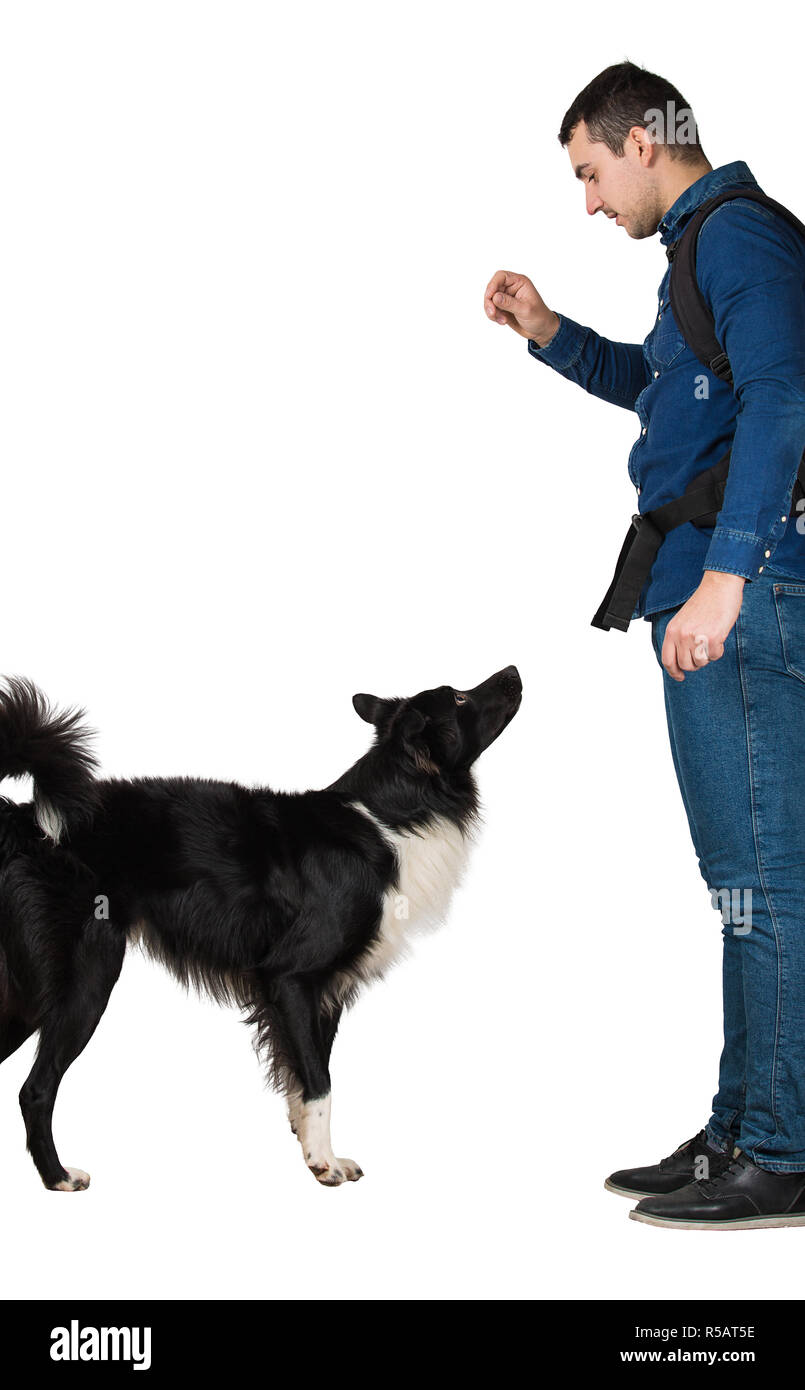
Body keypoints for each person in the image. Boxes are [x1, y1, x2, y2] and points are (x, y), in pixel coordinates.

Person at [485, 61, 805, 1229]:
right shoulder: (689, 264)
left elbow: (782, 396)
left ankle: (780, 1146)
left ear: (640, 140)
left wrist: (725, 576)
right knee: (743, 889)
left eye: (587, 172)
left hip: (747, 597)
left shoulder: (736, 238)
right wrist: (549, 332)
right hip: (713, 597)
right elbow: (660, 392)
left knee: (763, 885)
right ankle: (741, 1129)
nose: (585, 202)